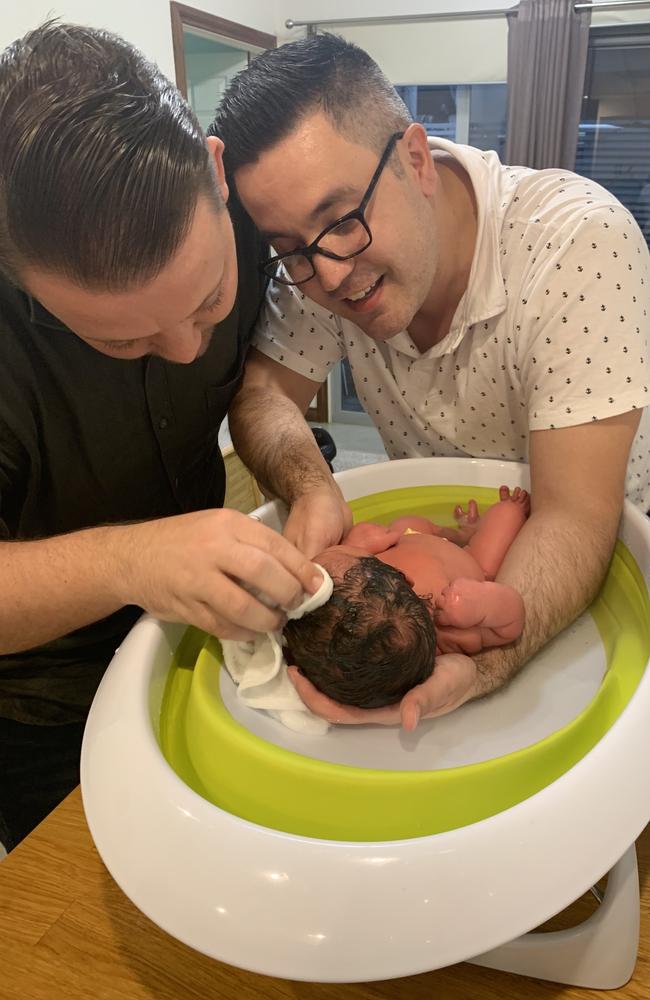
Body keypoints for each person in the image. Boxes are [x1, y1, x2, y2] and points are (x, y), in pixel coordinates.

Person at [212, 32, 650, 727]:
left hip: (596, 580)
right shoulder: (319, 271)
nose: (326, 276)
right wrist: (310, 485)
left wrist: (482, 661)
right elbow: (263, 396)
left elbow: (576, 513)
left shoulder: (576, 245)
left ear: (417, 157)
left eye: (344, 219)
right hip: (439, 591)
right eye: (290, 249)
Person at [0, 22, 321, 852]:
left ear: (214, 175)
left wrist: (307, 479)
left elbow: (262, 387)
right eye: (121, 342)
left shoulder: (254, 220)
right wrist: (128, 562)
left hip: (204, 641)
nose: (186, 351)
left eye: (210, 299)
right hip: (44, 706)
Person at [284, 487, 527, 712]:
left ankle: (452, 532)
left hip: (411, 536)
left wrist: (356, 543)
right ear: (404, 577)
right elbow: (511, 625)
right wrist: (483, 603)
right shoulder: (449, 631)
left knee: (404, 524)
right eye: (348, 550)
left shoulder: (352, 586)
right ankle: (470, 533)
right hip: (472, 562)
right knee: (506, 515)